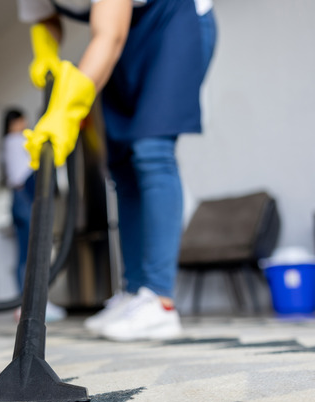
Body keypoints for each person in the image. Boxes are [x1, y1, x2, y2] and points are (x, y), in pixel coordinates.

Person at [17, 0, 216, 341]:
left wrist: (68, 110)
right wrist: (45, 52)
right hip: (121, 39)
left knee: (152, 151)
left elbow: (110, 35)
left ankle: (159, 300)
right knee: (121, 168)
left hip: (172, 21)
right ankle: (136, 292)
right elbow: (45, 16)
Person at [1, 108, 66, 322]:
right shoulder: (19, 140)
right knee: (36, 250)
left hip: (16, 199)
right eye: (23, 120)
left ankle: (23, 305)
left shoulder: (5, 143)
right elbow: (36, 165)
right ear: (16, 121)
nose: (26, 123)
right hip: (27, 198)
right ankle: (37, 305)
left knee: (23, 254)